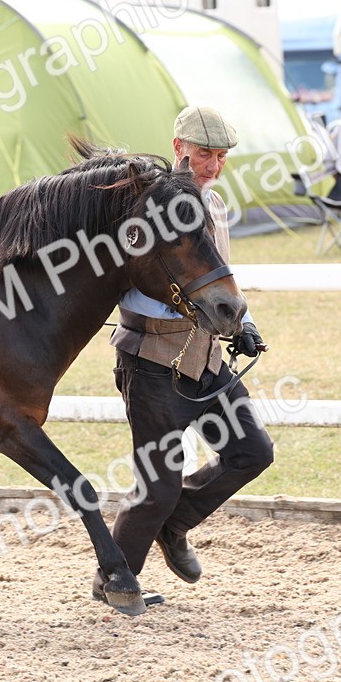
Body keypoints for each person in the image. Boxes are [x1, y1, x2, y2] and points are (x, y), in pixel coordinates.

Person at [95, 105, 275, 607]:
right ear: (178, 148)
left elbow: (217, 280)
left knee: (252, 453)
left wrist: (245, 323)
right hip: (151, 359)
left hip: (206, 360)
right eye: (203, 155)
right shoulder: (142, 207)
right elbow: (131, 282)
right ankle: (114, 579)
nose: (213, 166)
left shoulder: (213, 206)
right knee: (157, 485)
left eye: (220, 157)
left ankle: (173, 525)